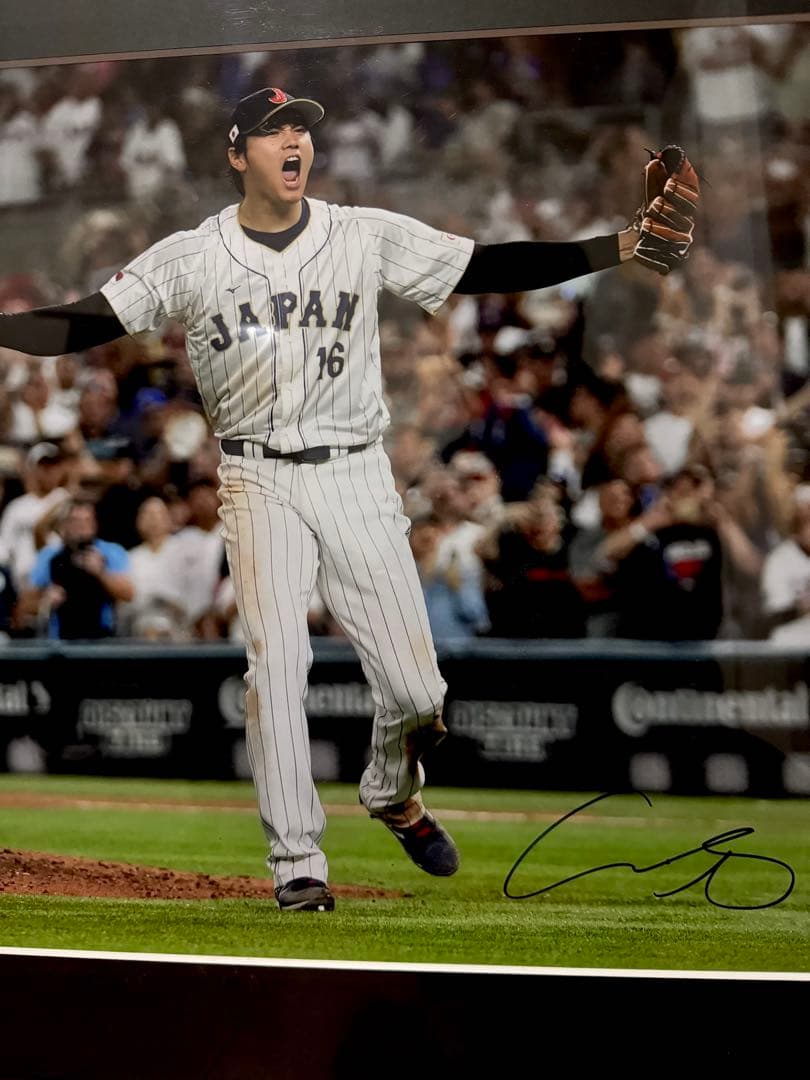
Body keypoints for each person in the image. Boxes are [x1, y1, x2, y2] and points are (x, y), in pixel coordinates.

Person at [0, 86, 685, 912]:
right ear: (236, 153)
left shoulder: (359, 234)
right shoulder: (191, 257)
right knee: (275, 667)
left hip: (356, 472)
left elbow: (486, 263)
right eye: (272, 130)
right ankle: (297, 863)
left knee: (417, 693)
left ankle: (393, 788)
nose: (293, 141)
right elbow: (81, 323)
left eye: (301, 129)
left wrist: (618, 245)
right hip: (256, 477)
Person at [22, 497, 134, 639]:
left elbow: (128, 594)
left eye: (87, 520)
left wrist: (102, 573)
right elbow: (24, 606)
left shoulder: (111, 551)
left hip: (103, 638)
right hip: (60, 641)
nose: (82, 526)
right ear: (65, 525)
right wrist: (46, 601)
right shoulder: (50, 555)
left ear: (95, 523)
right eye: (76, 521)